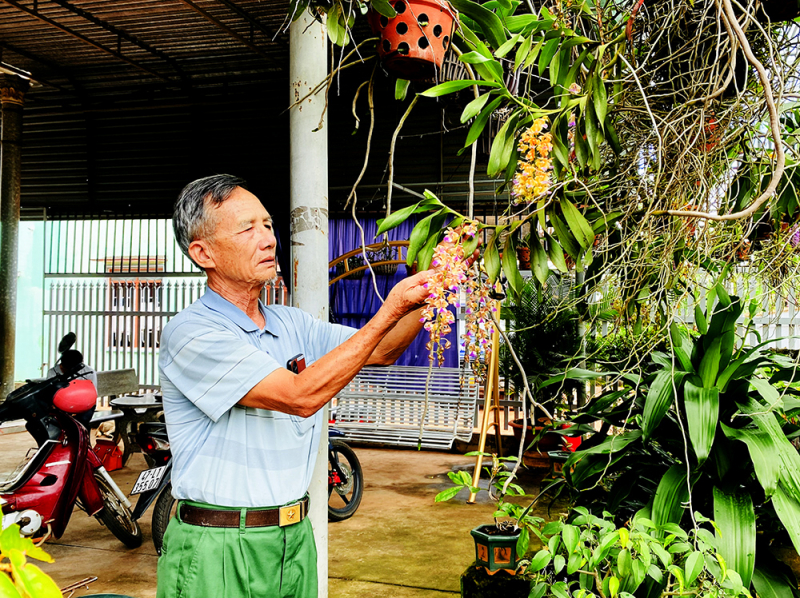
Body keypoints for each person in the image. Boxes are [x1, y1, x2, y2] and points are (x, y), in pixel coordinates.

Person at [156, 174, 442, 598]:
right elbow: (300, 396)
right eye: (247, 228)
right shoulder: (192, 332)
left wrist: (436, 285)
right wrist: (390, 308)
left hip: (293, 537)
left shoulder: (290, 323)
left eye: (268, 225)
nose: (268, 239)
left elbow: (380, 350)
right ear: (204, 253)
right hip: (217, 546)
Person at [46, 349, 98, 428]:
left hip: (85, 405)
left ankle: (83, 439)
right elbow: (50, 393)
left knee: (82, 420)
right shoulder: (53, 372)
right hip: (60, 406)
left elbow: (92, 395)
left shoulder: (89, 372)